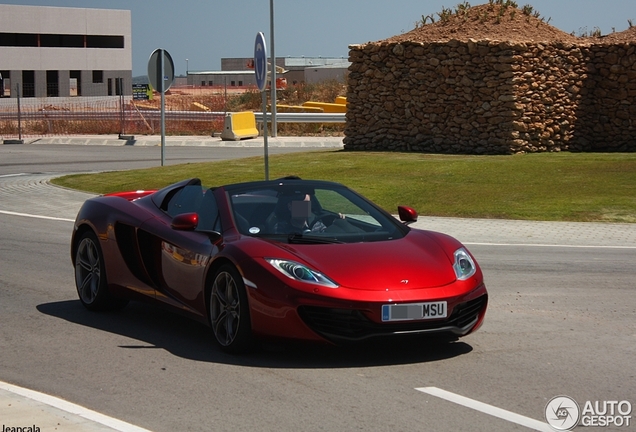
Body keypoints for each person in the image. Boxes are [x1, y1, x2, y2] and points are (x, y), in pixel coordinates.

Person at [273, 193, 343, 234]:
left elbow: (328, 237)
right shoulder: (281, 228)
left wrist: (338, 224)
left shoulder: (317, 225)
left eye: (307, 204)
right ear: (290, 206)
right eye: (300, 204)